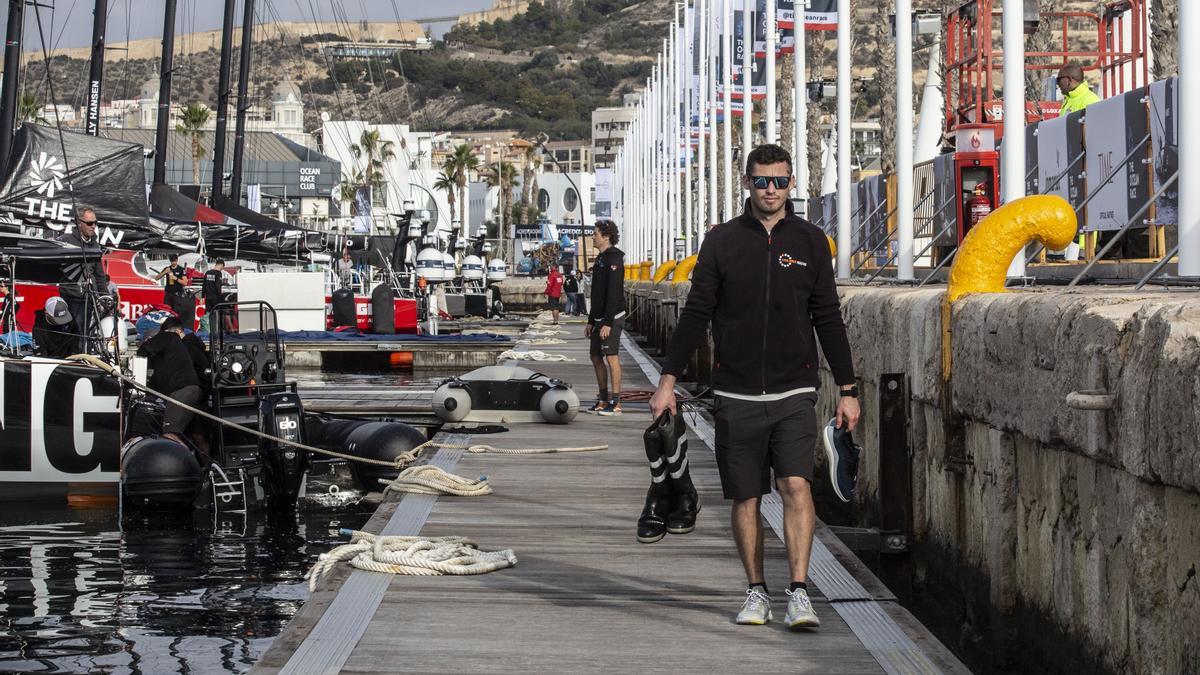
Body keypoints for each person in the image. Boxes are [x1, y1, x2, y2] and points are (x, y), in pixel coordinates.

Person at [649, 143, 861, 629]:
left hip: (792, 391)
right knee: (745, 496)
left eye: (780, 181)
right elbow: (696, 313)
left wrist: (848, 389)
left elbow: (828, 318)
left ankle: (800, 592)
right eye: (762, 180)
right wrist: (667, 382)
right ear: (747, 183)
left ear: (791, 185)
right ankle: (756, 591)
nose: (771, 189)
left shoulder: (810, 242)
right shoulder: (722, 241)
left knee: (795, 485)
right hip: (737, 393)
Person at [136, 316, 205, 445]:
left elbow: (143, 351)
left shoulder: (168, 336)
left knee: (169, 434)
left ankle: (181, 462)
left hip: (182, 391)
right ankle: (205, 464)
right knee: (197, 436)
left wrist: (147, 345)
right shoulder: (180, 349)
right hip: (194, 391)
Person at [585, 220, 625, 416]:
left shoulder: (614, 258)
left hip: (612, 317)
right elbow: (597, 293)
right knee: (595, 356)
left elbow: (613, 292)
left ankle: (615, 402)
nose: (593, 236)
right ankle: (602, 399)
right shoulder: (601, 258)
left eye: (595, 233)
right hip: (599, 317)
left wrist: (608, 322)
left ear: (606, 236)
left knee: (611, 357)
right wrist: (591, 320)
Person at [57, 208, 110, 350]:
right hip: (71, 297)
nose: (93, 226)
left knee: (86, 331)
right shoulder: (66, 240)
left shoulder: (95, 244)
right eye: (89, 223)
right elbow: (58, 268)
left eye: (95, 223)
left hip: (89, 298)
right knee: (74, 331)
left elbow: (99, 273)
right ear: (79, 223)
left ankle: (83, 355)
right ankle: (71, 357)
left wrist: (104, 296)